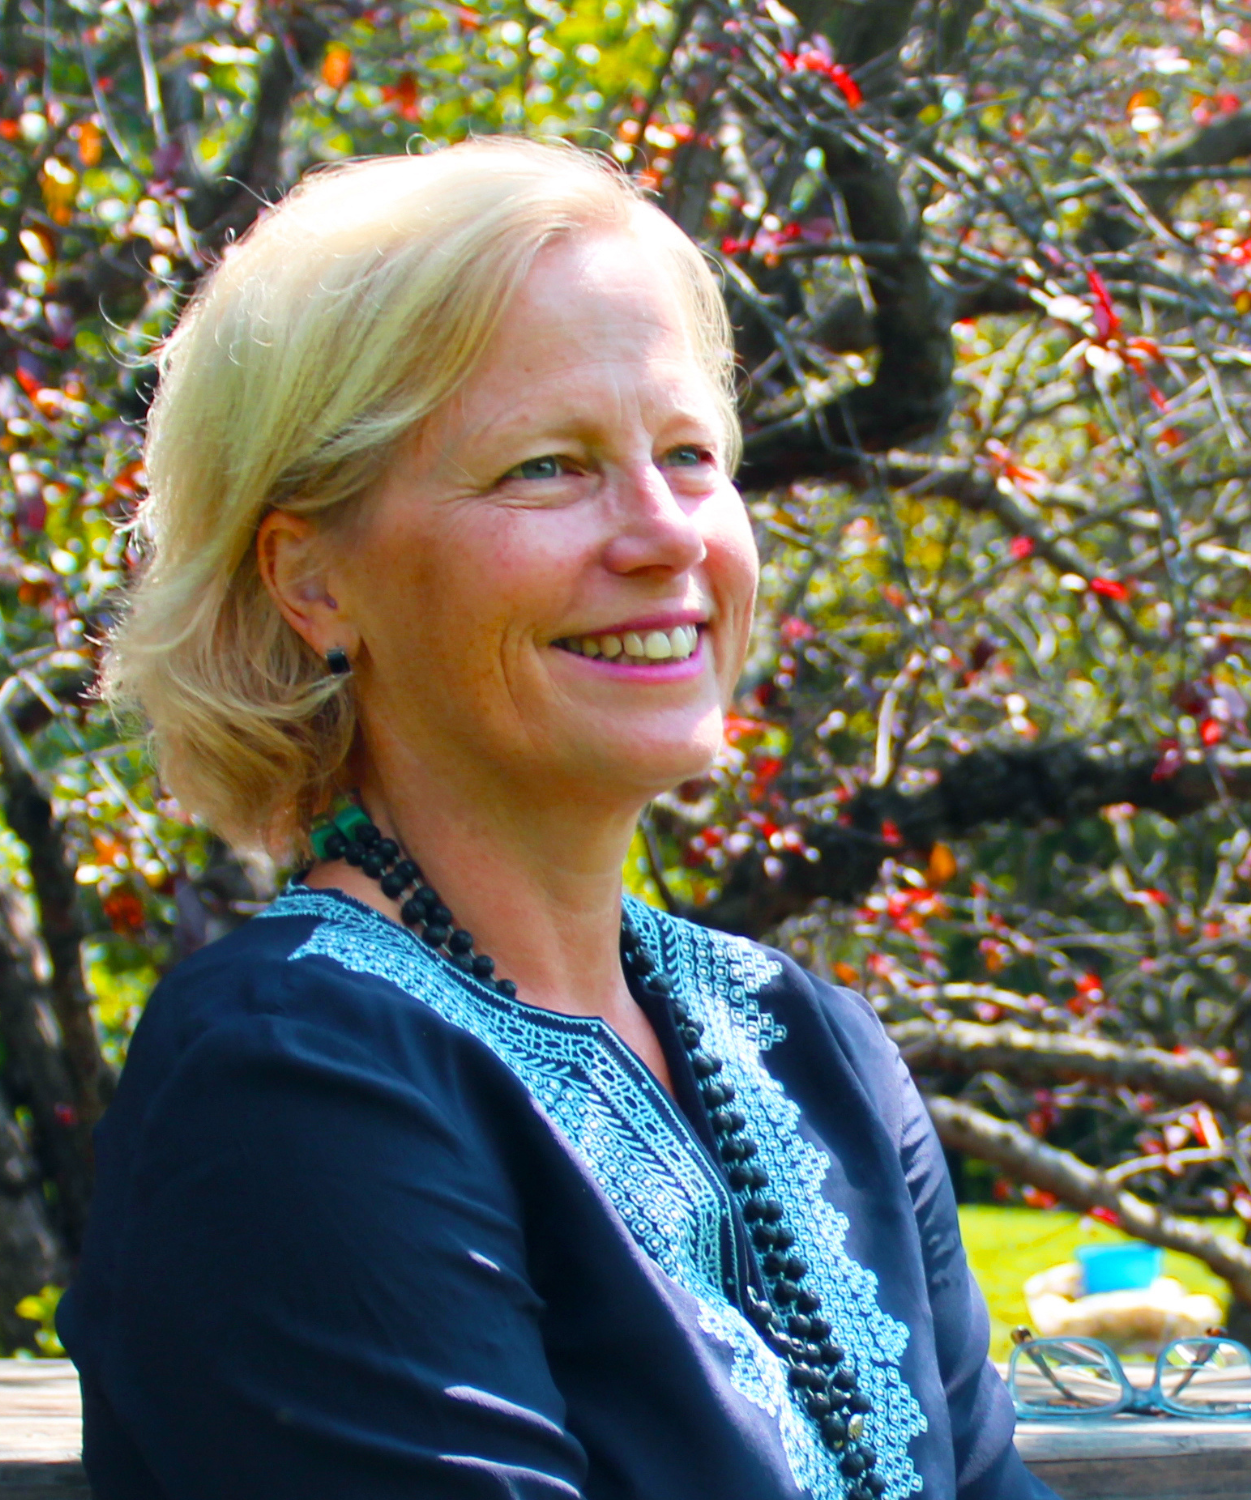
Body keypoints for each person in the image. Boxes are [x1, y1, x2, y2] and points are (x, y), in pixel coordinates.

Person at [58, 137, 1055, 1500]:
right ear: (313, 581)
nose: (666, 534)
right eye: (547, 467)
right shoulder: (290, 1076)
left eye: (689, 454)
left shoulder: (813, 1051)